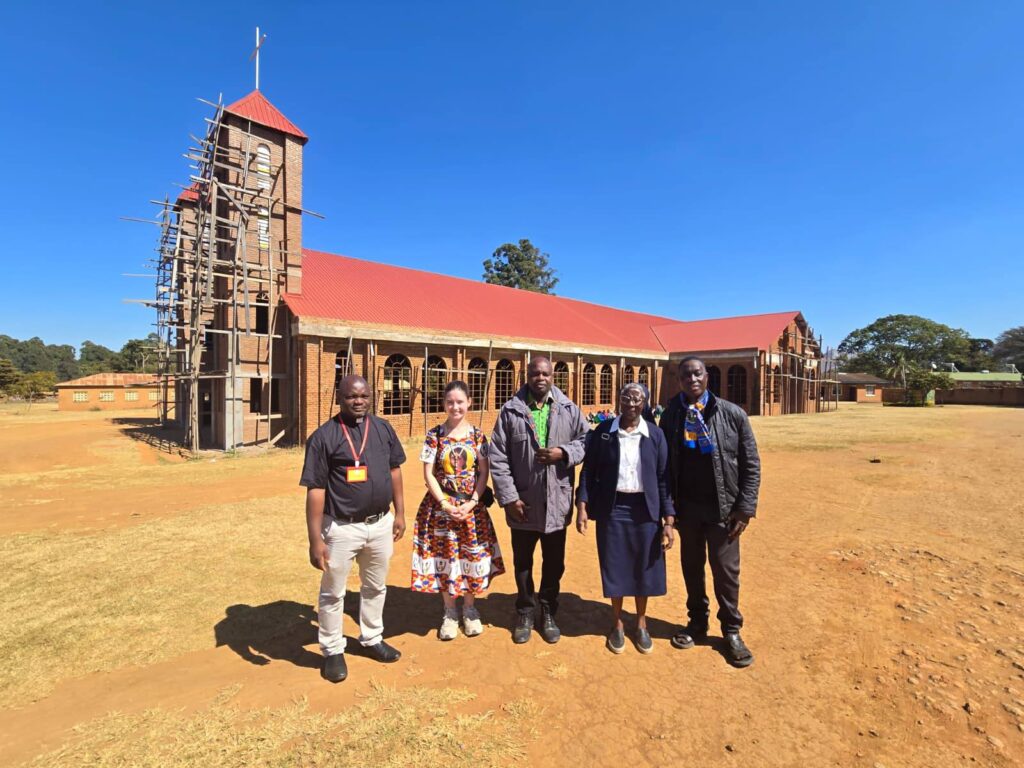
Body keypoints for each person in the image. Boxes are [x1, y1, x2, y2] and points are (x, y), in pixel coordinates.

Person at [300, 374, 407, 683]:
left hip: (380, 524)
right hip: (342, 529)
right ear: (339, 398)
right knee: (333, 593)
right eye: (351, 396)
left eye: (363, 395)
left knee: (375, 586)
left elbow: (395, 470)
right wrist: (315, 539)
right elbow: (316, 489)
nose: (358, 401)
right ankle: (333, 650)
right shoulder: (323, 437)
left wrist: (400, 513)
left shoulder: (383, 429)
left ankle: (372, 638)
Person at [660, 356, 761, 667]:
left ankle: (731, 630)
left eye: (697, 374)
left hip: (724, 510)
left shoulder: (732, 414)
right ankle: (697, 623)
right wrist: (669, 509)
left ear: (707, 377)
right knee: (692, 569)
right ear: (679, 380)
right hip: (688, 510)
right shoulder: (672, 415)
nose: (692, 379)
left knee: (726, 573)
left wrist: (744, 508)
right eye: (686, 375)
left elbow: (751, 464)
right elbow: (664, 467)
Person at [489, 356, 587, 644]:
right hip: (523, 504)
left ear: (552, 376)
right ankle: (525, 611)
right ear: (527, 375)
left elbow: (587, 441)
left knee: (554, 562)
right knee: (523, 562)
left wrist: (563, 453)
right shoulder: (511, 411)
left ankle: (548, 610)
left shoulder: (569, 409)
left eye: (545, 373)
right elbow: (498, 457)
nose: (540, 378)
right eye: (535, 374)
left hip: (557, 502)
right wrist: (509, 498)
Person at [576, 383, 675, 654]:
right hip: (613, 509)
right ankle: (617, 623)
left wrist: (668, 520)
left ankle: (641, 623)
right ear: (618, 400)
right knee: (615, 566)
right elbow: (588, 470)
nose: (631, 404)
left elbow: (664, 479)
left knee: (644, 567)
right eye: (626, 398)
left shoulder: (654, 435)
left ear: (645, 403)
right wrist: (582, 505)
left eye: (637, 399)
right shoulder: (603, 432)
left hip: (645, 511)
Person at [411, 380, 505, 640]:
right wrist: (444, 503)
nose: (455, 407)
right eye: (450, 402)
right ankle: (450, 612)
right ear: (444, 404)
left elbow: (483, 471)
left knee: (470, 556)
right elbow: (428, 473)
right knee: (445, 557)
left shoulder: (478, 436)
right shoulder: (434, 436)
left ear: (469, 403)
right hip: (441, 509)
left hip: (471, 510)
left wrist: (473, 502)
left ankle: (470, 609)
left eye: (460, 402)